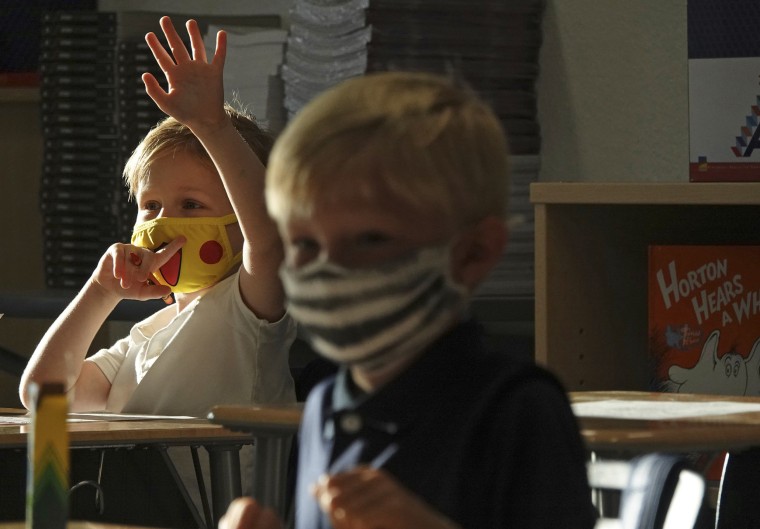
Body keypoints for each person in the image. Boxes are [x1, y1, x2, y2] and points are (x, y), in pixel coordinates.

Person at [219, 67, 598, 527]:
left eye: (371, 239)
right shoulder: (323, 405)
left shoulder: (516, 410)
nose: (329, 268)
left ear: (472, 254)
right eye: (305, 245)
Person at [18, 15, 296, 526]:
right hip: (126, 510)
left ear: (239, 222)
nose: (165, 221)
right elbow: (43, 397)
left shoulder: (249, 309)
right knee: (41, 477)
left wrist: (211, 126)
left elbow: (270, 240)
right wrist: (100, 292)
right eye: (151, 206)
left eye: (191, 205)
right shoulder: (145, 336)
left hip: (204, 515)